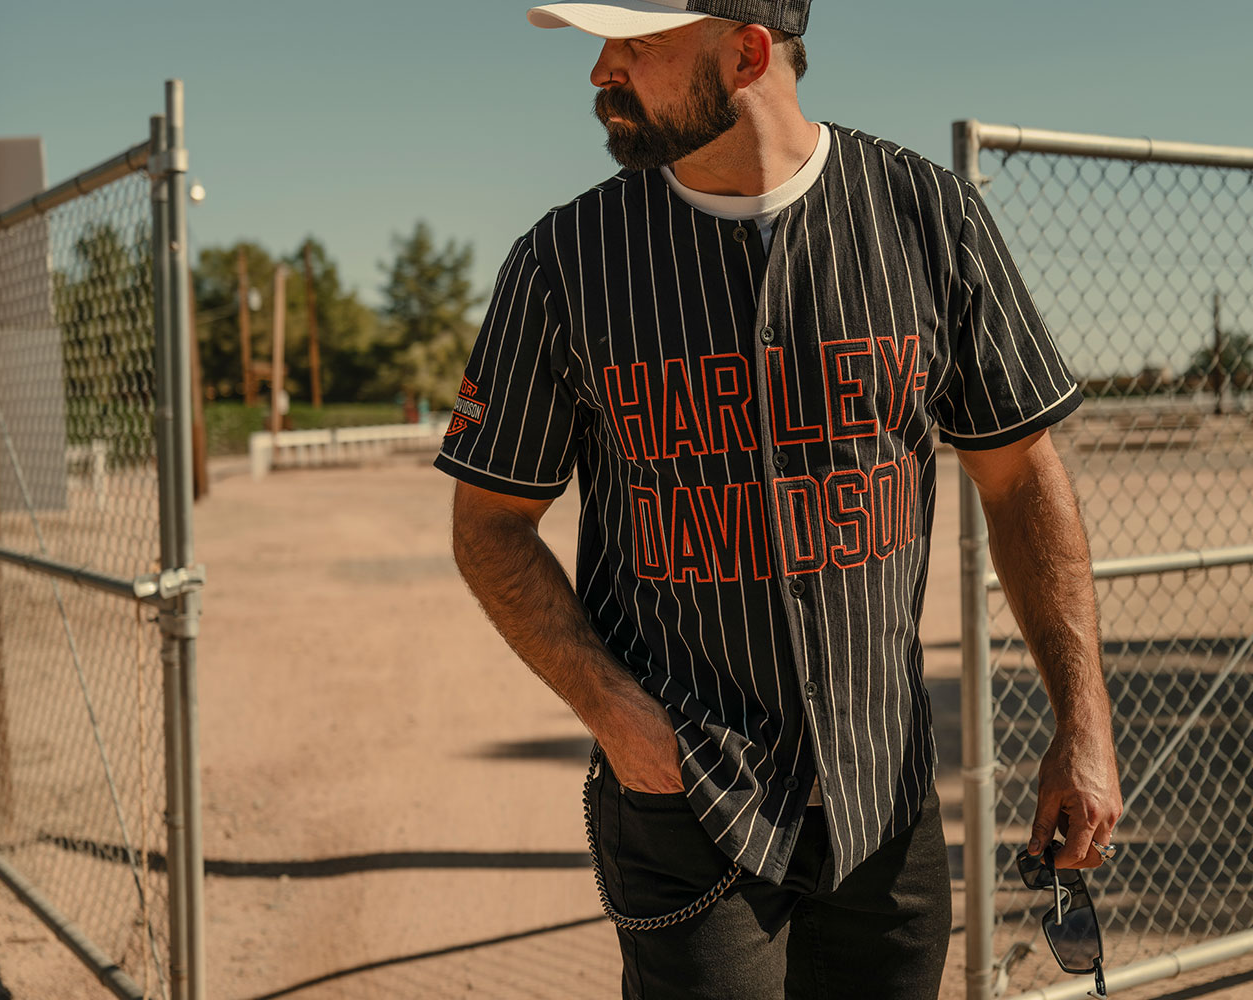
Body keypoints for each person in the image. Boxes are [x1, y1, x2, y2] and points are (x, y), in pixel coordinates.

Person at [435, 2, 1124, 997]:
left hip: (885, 804)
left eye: (635, 43)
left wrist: (1083, 722)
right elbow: (490, 524)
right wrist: (612, 710)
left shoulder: (928, 220)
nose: (599, 70)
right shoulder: (563, 263)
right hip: (684, 800)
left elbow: (1019, 477)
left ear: (747, 52)